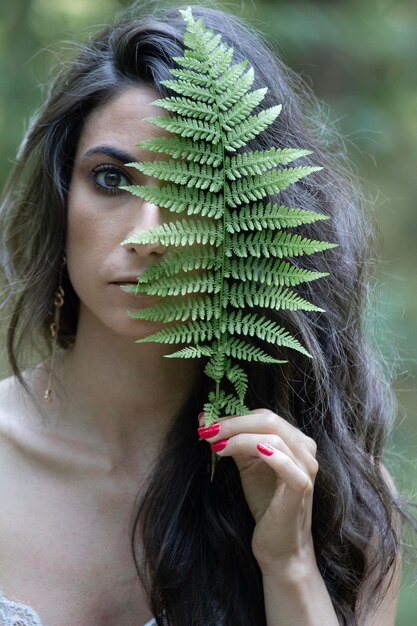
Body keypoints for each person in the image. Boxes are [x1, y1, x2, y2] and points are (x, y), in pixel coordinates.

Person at [0, 2, 410, 625]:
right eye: (111, 179)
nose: (147, 234)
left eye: (189, 193)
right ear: (62, 199)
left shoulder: (340, 502)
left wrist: (289, 564)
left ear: (257, 227)